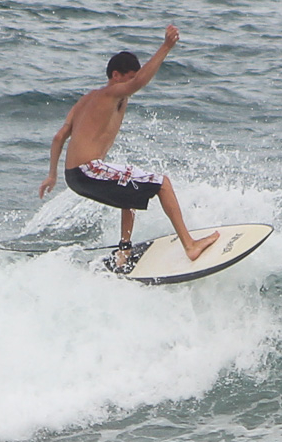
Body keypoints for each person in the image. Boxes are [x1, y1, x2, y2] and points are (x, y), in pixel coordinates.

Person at [40, 24, 220, 264]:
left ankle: (124, 250)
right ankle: (190, 245)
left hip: (74, 176)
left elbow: (58, 137)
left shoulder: (85, 100)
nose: (131, 85)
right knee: (162, 184)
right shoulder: (110, 94)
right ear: (116, 75)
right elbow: (140, 82)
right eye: (129, 78)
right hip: (87, 169)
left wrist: (52, 175)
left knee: (130, 188)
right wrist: (166, 46)